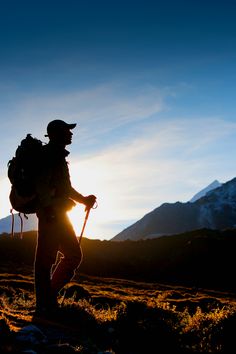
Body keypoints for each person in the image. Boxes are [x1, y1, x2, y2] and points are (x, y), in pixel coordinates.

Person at [34, 119, 96, 317]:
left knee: (68, 256)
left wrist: (83, 199)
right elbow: (42, 185)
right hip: (52, 214)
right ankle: (45, 306)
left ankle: (47, 301)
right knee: (47, 260)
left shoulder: (58, 156)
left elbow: (65, 188)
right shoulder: (50, 155)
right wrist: (48, 209)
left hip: (58, 213)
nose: (71, 134)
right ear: (56, 134)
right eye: (67, 131)